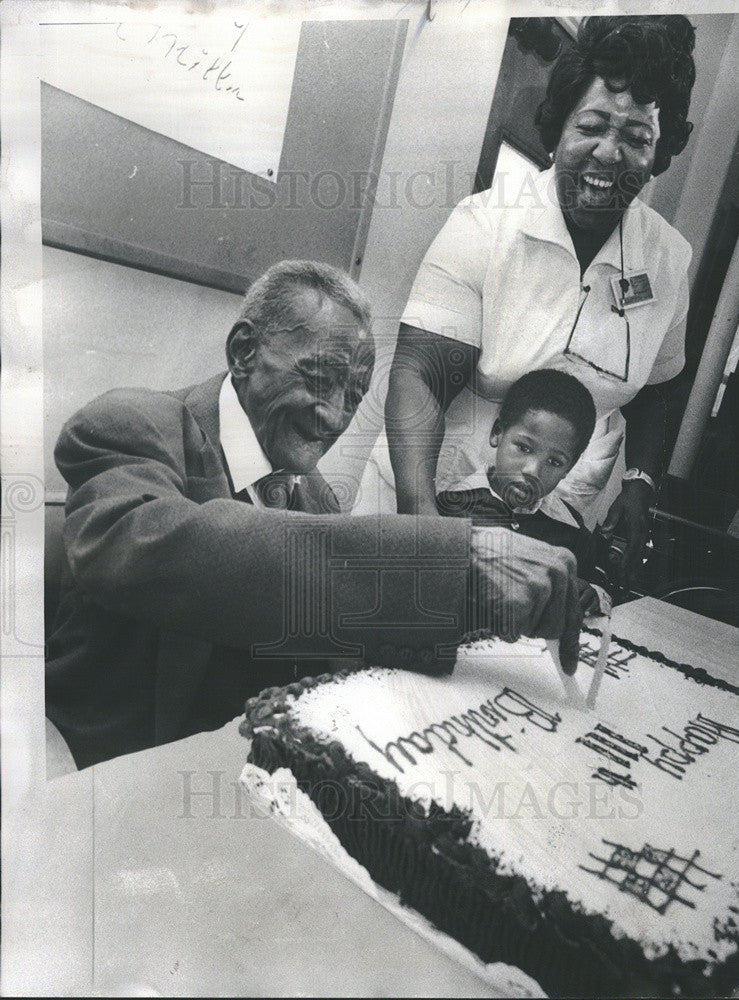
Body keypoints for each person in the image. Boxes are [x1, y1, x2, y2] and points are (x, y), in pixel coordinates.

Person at [46, 260, 583, 769]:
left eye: (353, 397)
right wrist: (444, 567)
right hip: (114, 778)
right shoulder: (134, 423)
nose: (334, 417)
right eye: (320, 379)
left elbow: (329, 640)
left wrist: (464, 621)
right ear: (244, 350)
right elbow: (144, 547)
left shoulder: (317, 498)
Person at [358, 15, 696, 589]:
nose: (609, 154)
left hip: (564, 508)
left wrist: (640, 481)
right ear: (560, 125)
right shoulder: (486, 223)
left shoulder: (669, 260)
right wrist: (424, 523)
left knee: (517, 658)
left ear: (660, 153)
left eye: (638, 138)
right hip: (439, 482)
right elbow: (419, 376)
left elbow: (659, 388)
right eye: (591, 126)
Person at [436, 369, 609, 618]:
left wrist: (590, 593)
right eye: (524, 448)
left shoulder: (571, 530)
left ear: (569, 467)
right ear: (497, 433)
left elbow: (595, 588)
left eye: (555, 461)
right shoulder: (450, 508)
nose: (533, 470)